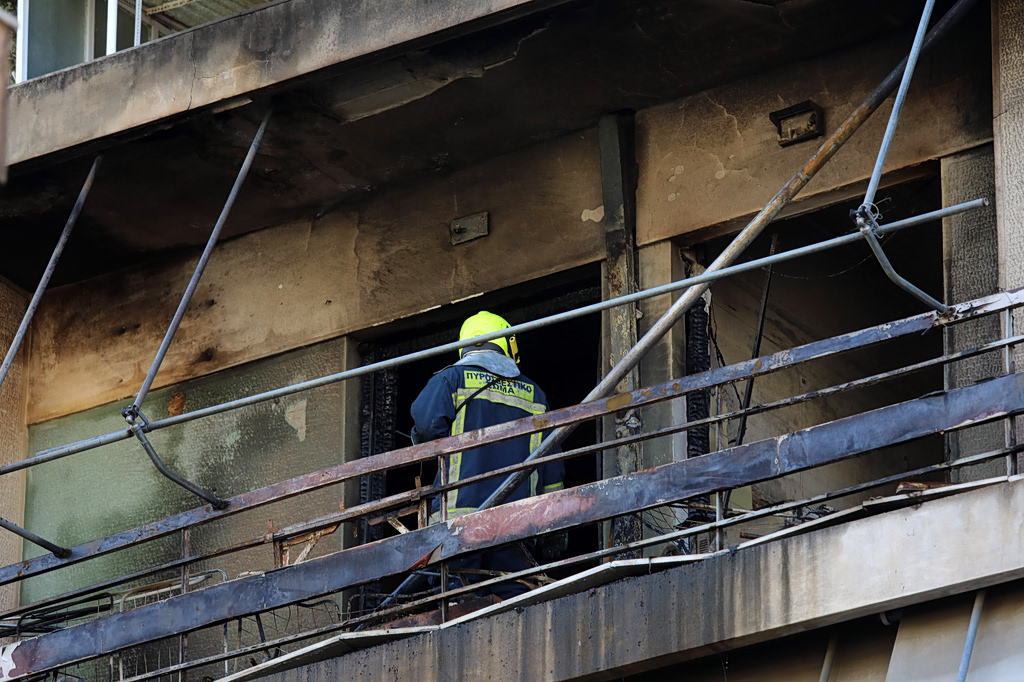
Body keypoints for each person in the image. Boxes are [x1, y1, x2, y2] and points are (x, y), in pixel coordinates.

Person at [410, 311, 564, 599]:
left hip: (459, 523)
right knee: (516, 601)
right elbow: (552, 464)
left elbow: (427, 427)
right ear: (507, 344)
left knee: (456, 603)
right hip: (518, 522)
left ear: (465, 346)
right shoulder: (535, 395)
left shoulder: (452, 378)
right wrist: (555, 524)